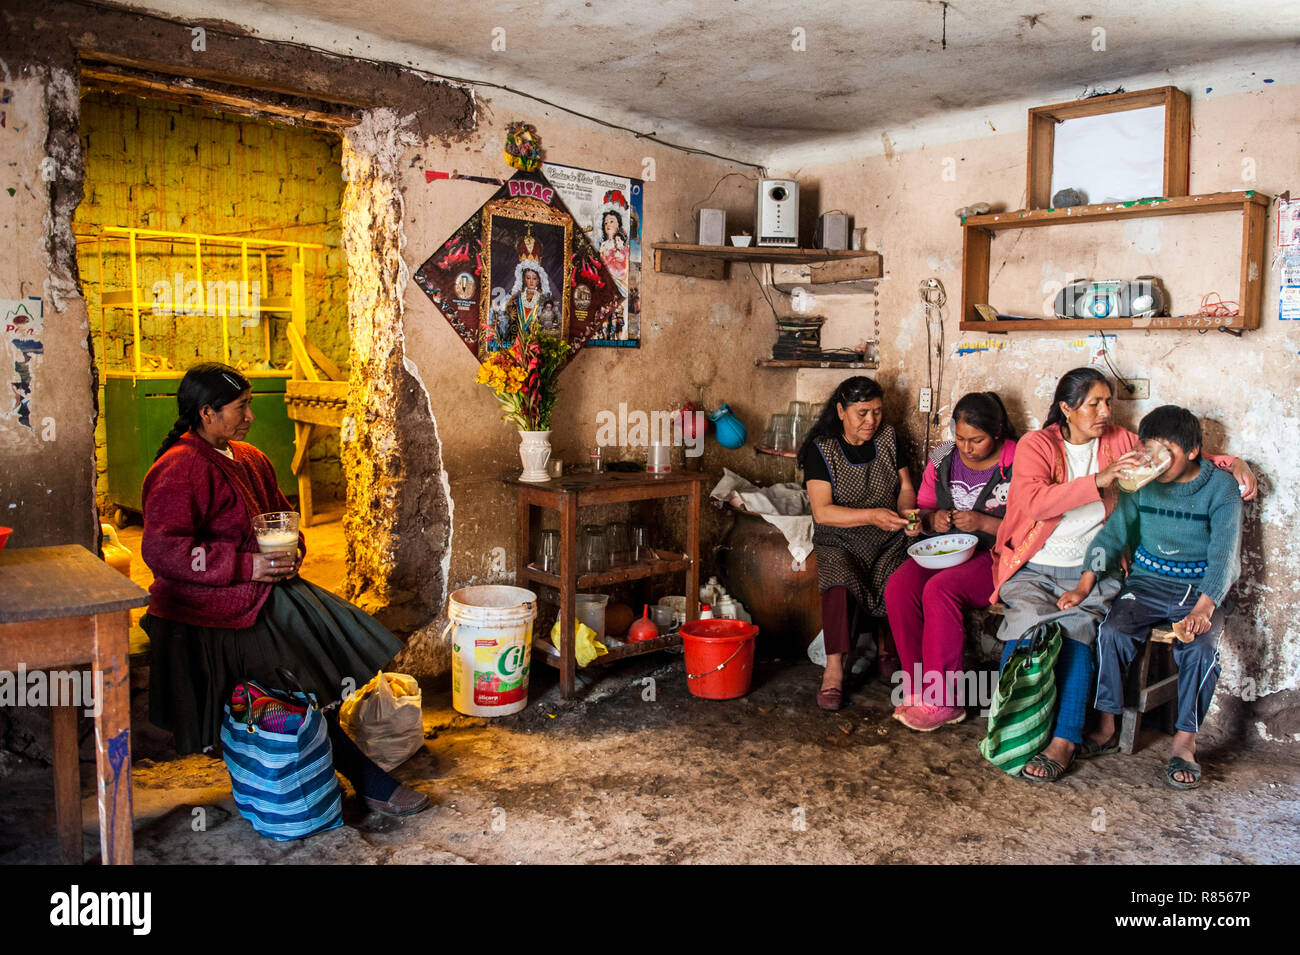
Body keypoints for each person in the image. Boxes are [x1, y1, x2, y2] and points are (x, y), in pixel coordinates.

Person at [140, 363, 429, 817]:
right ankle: (365, 778)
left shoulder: (250, 459)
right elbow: (162, 550)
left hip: (263, 589)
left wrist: (294, 550)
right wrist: (245, 565)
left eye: (249, 405)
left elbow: (282, 515)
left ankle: (323, 763)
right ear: (207, 413)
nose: (250, 416)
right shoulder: (180, 467)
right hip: (210, 608)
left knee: (322, 660)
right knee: (295, 685)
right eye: (241, 407)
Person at [989, 367, 1255, 782]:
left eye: (1107, 402)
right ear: (1066, 407)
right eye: (1094, 402)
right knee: (1069, 631)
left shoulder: (1155, 460)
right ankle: (1035, 726)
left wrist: (1235, 463)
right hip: (1072, 570)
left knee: (1179, 644)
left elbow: (1222, 551)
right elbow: (1085, 524)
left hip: (1173, 585)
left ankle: (1165, 740)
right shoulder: (1042, 446)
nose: (1104, 411)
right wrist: (1084, 580)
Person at [1064, 406, 1242, 789]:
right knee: (1111, 632)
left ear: (1193, 450)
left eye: (1167, 452)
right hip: (1147, 582)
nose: (1156, 461)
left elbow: (1226, 556)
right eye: (1150, 451)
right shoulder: (1141, 481)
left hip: (1199, 589)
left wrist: (1204, 608)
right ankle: (1108, 724)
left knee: (1199, 648)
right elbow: (1113, 534)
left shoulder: (1221, 489)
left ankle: (1184, 742)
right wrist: (1084, 584)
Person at [884, 392, 1017, 731]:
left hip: (999, 556)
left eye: (977, 439)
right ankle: (916, 686)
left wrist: (984, 523)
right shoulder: (943, 455)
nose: (967, 447)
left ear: (998, 431)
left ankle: (944, 699)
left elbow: (1033, 527)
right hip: (948, 550)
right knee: (900, 586)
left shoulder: (1018, 458)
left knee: (941, 590)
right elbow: (925, 507)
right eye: (960, 438)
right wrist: (933, 519)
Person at [799, 377, 917, 711]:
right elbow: (823, 512)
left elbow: (906, 486)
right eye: (862, 413)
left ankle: (887, 646)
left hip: (887, 535)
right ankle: (834, 669)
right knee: (838, 582)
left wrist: (907, 512)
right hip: (841, 538)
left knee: (902, 574)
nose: (871, 421)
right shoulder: (821, 449)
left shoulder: (889, 438)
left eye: (877, 412)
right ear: (840, 410)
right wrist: (871, 516)